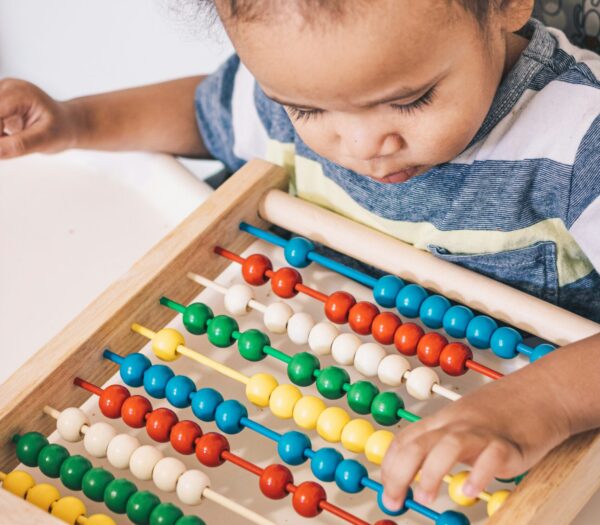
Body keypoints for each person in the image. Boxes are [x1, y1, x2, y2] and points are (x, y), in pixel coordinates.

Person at [0, 0, 599, 516]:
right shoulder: (293, 80)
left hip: (530, 425)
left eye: (412, 100)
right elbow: (206, 117)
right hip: (349, 390)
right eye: (307, 112)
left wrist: (540, 404)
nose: (363, 147)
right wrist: (76, 120)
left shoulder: (578, 141)